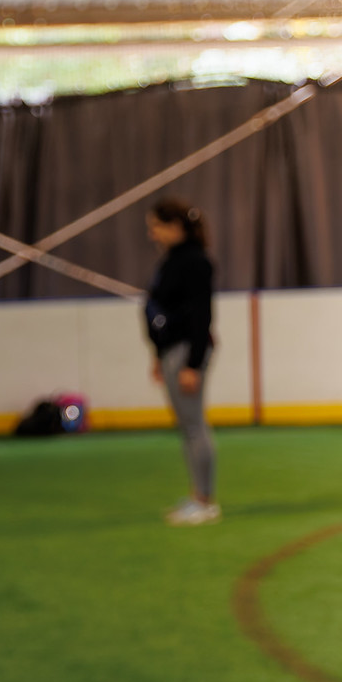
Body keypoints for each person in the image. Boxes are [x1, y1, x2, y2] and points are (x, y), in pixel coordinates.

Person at [144, 198, 218, 526]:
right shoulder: (173, 261)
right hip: (173, 352)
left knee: (193, 425)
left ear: (175, 227)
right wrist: (159, 355)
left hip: (186, 352)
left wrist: (192, 363)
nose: (153, 235)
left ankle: (204, 500)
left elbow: (202, 315)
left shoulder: (194, 262)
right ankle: (197, 494)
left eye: (156, 227)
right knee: (188, 427)